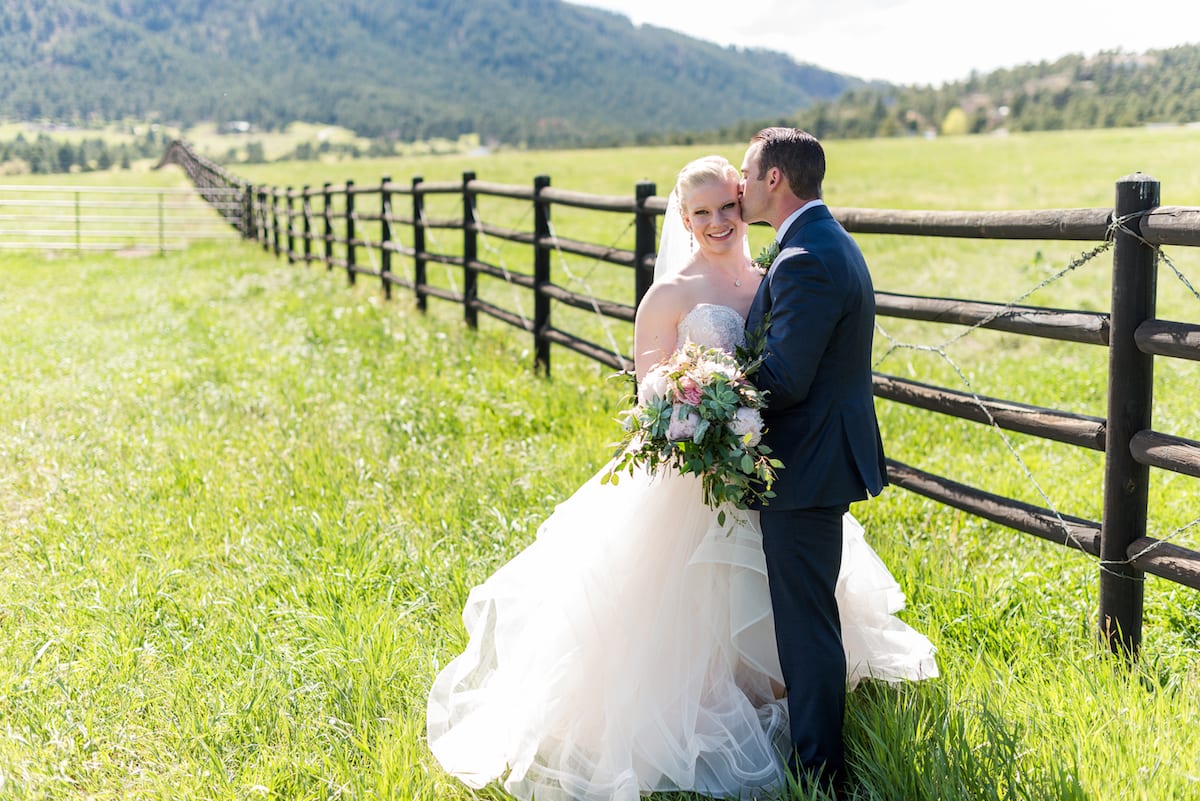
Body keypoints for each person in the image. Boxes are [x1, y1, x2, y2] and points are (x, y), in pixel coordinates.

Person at [426, 155, 935, 801]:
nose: (718, 221)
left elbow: (794, 366)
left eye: (727, 205)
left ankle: (778, 714)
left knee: (777, 602)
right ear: (685, 219)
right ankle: (704, 718)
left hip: (773, 468)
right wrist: (696, 411)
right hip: (691, 473)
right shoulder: (669, 294)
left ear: (745, 197)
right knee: (690, 605)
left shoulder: (768, 277)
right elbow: (650, 396)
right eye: (702, 213)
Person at [739, 127, 891, 791]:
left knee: (805, 625)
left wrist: (712, 392)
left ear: (775, 178)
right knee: (808, 615)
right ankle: (818, 755)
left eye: (748, 173)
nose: (742, 187)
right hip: (819, 456)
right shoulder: (827, 240)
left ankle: (820, 771)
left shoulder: (803, 254)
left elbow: (785, 376)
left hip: (803, 465)